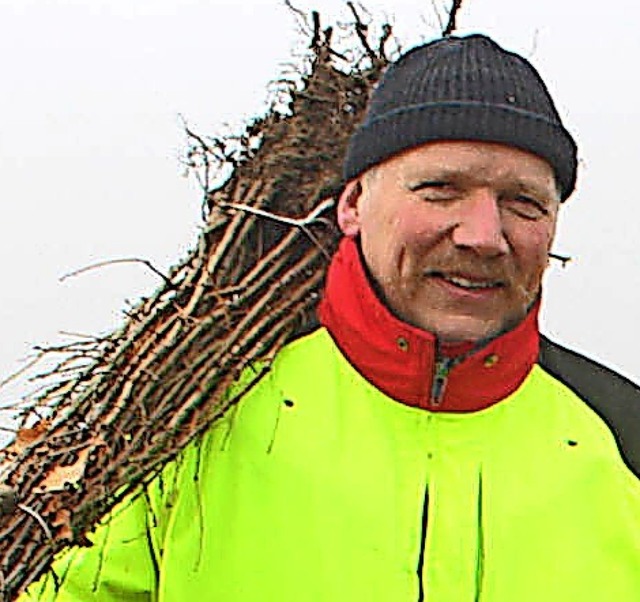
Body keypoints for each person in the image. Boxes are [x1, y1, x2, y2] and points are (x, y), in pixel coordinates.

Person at [24, 34, 640, 602]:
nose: (484, 236)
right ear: (353, 204)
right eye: (440, 190)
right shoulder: (187, 419)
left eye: (523, 203)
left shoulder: (623, 437)